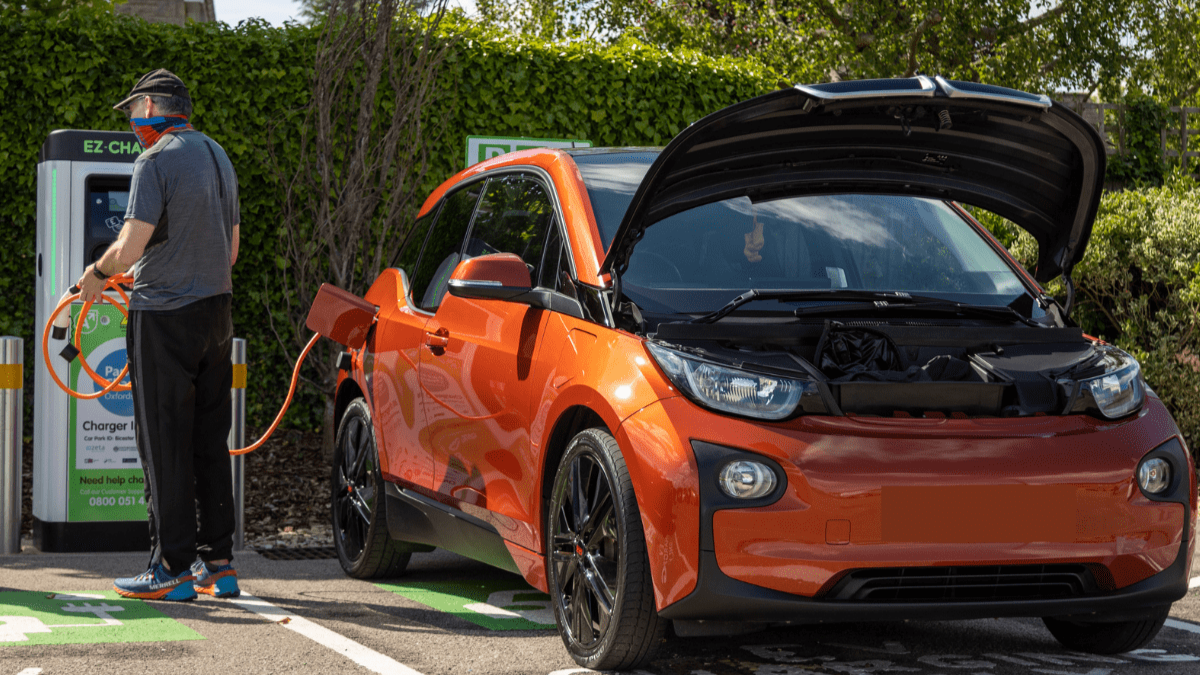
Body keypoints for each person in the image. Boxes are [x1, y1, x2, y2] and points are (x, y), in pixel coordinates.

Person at [75, 69, 242, 601]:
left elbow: (129, 244)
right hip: (217, 315)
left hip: (164, 317)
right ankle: (219, 564)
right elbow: (230, 248)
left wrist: (97, 277)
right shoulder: (218, 154)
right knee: (208, 442)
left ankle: (169, 569)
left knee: (164, 445)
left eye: (133, 110)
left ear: (152, 105)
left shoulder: (154, 159)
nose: (131, 121)